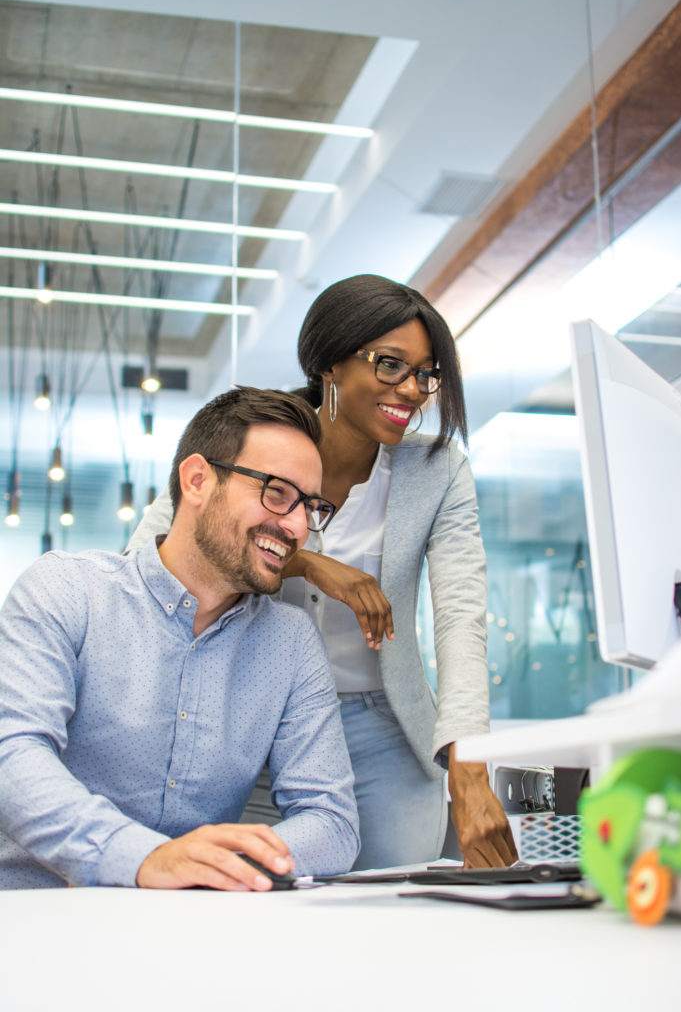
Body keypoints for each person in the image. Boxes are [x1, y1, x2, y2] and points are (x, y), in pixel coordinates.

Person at [128, 275, 518, 870]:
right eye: (391, 365)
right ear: (330, 364)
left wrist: (469, 766)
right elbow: (148, 555)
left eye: (426, 372)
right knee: (238, 894)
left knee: (388, 903)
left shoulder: (437, 470)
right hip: (244, 712)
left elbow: (461, 617)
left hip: (381, 722)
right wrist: (308, 563)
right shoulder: (254, 439)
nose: (412, 389)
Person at [0, 387, 359, 890]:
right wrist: (147, 858)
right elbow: (12, 758)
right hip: (36, 919)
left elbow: (332, 822)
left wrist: (218, 862)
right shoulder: (67, 591)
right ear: (196, 480)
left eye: (311, 506)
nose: (298, 525)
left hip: (193, 931)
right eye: (277, 493)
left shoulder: (291, 643)